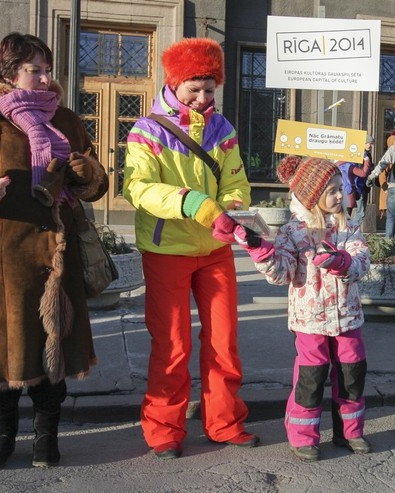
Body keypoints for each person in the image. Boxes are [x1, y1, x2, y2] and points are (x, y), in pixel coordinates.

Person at [0, 32, 108, 469]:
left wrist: (84, 171)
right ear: (8, 71)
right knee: (2, 351)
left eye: (48, 69)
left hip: (58, 253)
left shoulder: (66, 119)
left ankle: (46, 437)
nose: (45, 77)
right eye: (34, 69)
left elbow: (98, 182)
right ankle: (2, 438)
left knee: (53, 349)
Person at [123, 37, 257, 459]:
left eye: (209, 89)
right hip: (167, 251)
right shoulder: (146, 131)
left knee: (224, 341)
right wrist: (196, 203)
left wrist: (233, 209)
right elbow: (138, 188)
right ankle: (164, 428)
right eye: (193, 89)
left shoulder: (224, 129)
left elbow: (236, 183)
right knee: (172, 344)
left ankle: (224, 421)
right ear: (174, 83)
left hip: (215, 250)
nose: (201, 98)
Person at [233, 155, 371, 462]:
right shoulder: (292, 233)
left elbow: (362, 261)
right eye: (333, 190)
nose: (340, 194)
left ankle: (350, 432)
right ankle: (303, 436)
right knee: (310, 377)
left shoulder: (348, 227)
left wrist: (341, 262)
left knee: (351, 375)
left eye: (340, 188)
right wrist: (259, 249)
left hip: (348, 317)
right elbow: (281, 273)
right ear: (313, 196)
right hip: (310, 322)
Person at [337, 134, 374, 225]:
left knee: (350, 212)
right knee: (359, 211)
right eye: (368, 143)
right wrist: (367, 162)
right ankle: (353, 232)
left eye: (371, 143)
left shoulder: (363, 155)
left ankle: (350, 231)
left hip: (356, 187)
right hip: (358, 186)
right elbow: (362, 173)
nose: (370, 145)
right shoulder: (358, 156)